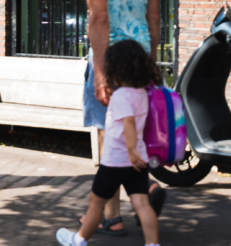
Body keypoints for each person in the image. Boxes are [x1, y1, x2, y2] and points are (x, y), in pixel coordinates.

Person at [73, 0, 161, 236]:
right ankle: (118, 211)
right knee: (133, 126)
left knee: (106, 131)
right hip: (138, 55)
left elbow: (99, 16)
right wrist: (152, 60)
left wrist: (99, 70)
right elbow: (154, 18)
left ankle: (129, 201)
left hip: (111, 57)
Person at [57, 40, 165, 246]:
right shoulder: (142, 93)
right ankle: (153, 244)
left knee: (95, 204)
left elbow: (129, 123)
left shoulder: (121, 96)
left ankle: (78, 240)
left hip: (116, 161)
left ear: (115, 68)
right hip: (138, 162)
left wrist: (131, 150)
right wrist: (136, 153)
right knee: (142, 205)